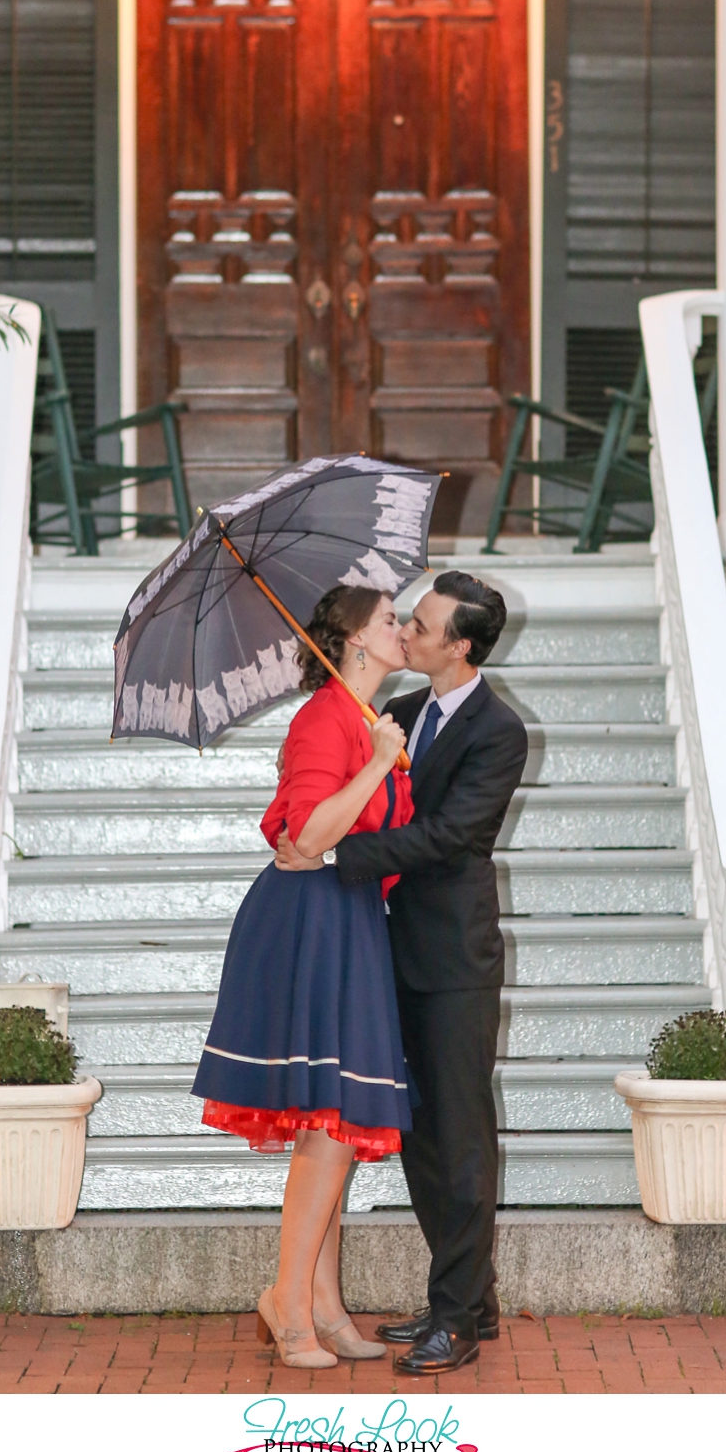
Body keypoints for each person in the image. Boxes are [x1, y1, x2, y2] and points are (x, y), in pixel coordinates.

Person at [274, 569, 528, 1376]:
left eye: (422, 625)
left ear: (460, 645)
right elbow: (337, 784)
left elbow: (451, 836)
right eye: (404, 621)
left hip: (453, 959)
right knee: (418, 1133)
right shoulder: (399, 715)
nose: (410, 632)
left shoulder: (499, 730)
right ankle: (470, 1297)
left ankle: (454, 1318)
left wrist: (336, 852)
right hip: (383, 952)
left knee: (460, 1137)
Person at [192, 583, 412, 1371]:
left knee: (337, 1127)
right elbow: (310, 835)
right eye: (390, 619)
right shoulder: (326, 717)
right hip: (308, 917)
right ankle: (290, 1307)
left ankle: (322, 1302)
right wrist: (379, 763)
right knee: (325, 1125)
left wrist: (381, 752)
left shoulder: (359, 719)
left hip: (344, 917)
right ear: (353, 640)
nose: (403, 627)